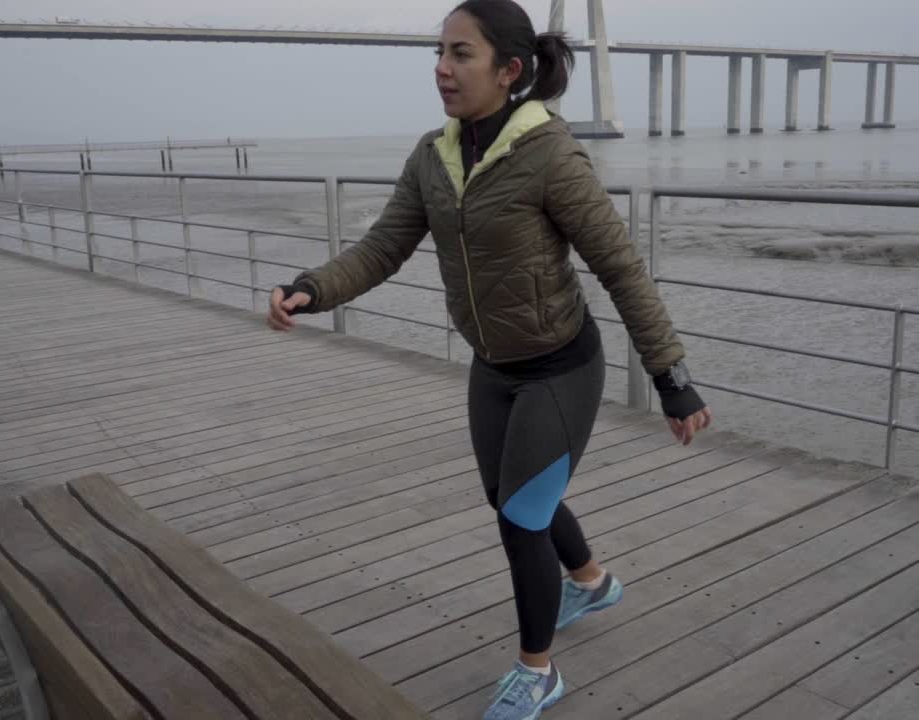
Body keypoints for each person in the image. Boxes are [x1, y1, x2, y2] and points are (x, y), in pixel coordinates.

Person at [268, 1, 711, 717]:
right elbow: (382, 247)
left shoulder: (550, 155)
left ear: (509, 70)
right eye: (439, 52)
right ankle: (593, 582)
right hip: (493, 367)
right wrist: (312, 288)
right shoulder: (432, 157)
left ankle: (538, 672)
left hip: (561, 367)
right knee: (514, 499)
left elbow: (621, 267)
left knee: (520, 518)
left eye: (461, 53)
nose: (442, 69)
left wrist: (672, 378)